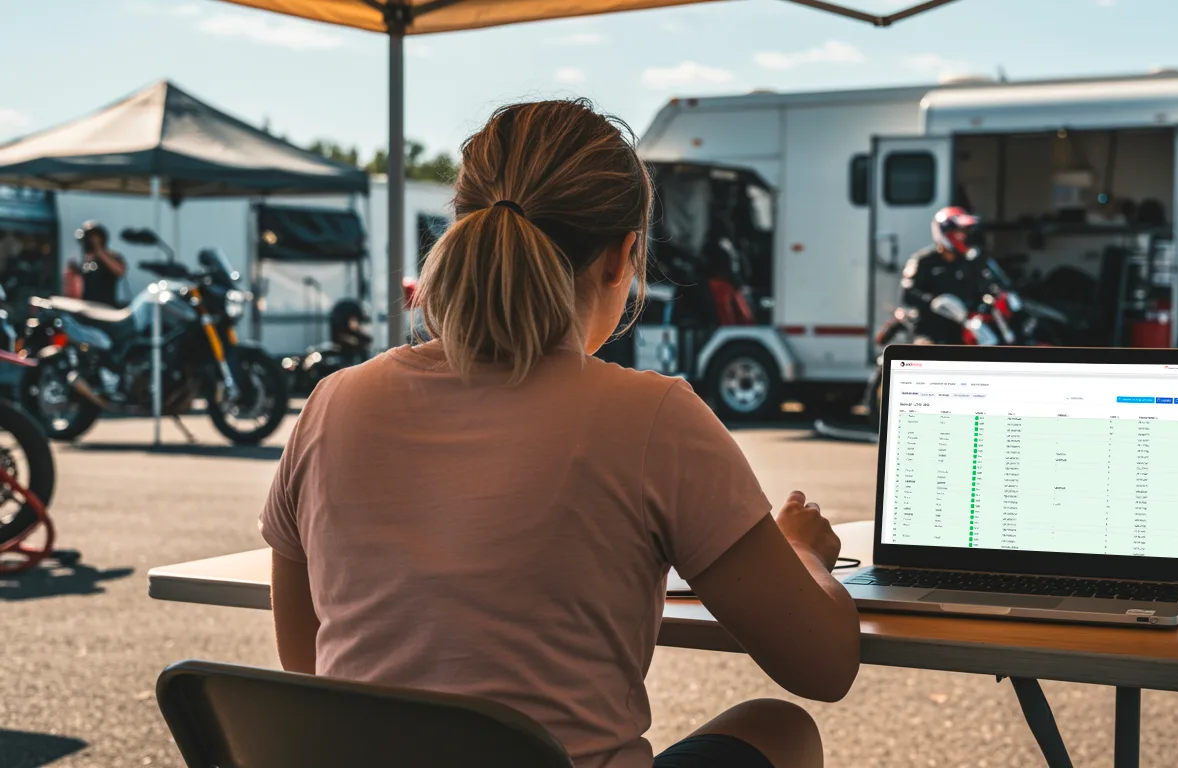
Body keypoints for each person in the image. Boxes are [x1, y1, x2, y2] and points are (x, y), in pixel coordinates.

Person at [260, 99, 860, 768]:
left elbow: (307, 660)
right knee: (780, 727)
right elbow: (825, 667)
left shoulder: (333, 403)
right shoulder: (652, 417)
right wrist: (803, 555)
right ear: (622, 258)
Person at [900, 206, 994, 343]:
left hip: (962, 332)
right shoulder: (924, 260)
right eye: (958, 232)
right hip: (930, 330)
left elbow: (984, 289)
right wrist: (933, 302)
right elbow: (907, 292)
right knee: (924, 349)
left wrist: (985, 306)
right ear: (945, 232)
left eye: (964, 232)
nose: (963, 236)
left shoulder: (969, 262)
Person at [70, 221, 127, 307]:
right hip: (87, 306)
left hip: (106, 307)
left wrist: (99, 251)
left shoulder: (112, 256)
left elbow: (120, 271)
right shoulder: (85, 259)